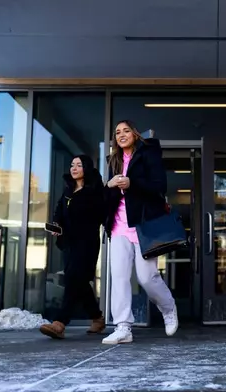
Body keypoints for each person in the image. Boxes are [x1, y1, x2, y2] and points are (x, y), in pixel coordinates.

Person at [101, 120, 178, 344]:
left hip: (143, 225)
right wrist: (109, 186)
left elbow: (159, 186)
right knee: (120, 278)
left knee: (146, 277)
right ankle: (123, 326)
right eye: (117, 132)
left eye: (126, 131)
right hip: (118, 226)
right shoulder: (113, 161)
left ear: (135, 134)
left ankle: (168, 307)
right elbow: (107, 198)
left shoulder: (148, 153)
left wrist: (131, 183)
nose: (121, 135)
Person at [39, 155, 106, 339]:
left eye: (79, 165)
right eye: (72, 165)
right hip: (69, 242)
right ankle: (97, 318)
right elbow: (59, 210)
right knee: (80, 281)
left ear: (87, 168)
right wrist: (56, 225)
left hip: (87, 242)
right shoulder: (68, 190)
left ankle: (60, 323)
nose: (74, 168)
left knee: (72, 279)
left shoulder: (94, 190)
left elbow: (100, 214)